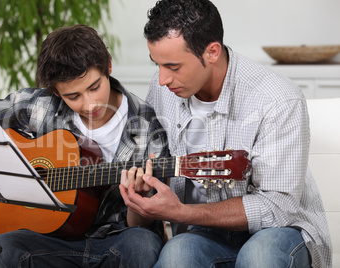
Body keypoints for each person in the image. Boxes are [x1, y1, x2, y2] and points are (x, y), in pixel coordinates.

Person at [119, 0, 332, 267]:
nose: (162, 79)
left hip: (282, 232)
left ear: (212, 52)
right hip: (204, 232)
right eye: (157, 65)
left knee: (259, 255)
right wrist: (142, 194)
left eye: (173, 67)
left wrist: (181, 212)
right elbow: (155, 166)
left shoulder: (278, 99)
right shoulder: (163, 89)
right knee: (176, 255)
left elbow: (278, 208)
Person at [0, 24, 169, 268]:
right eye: (73, 96)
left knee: (143, 246)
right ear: (56, 91)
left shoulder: (147, 128)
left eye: (94, 87)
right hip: (49, 239)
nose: (88, 104)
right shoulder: (42, 106)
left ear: (108, 65)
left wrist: (137, 201)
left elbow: (141, 226)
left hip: (113, 240)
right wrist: (2, 167)